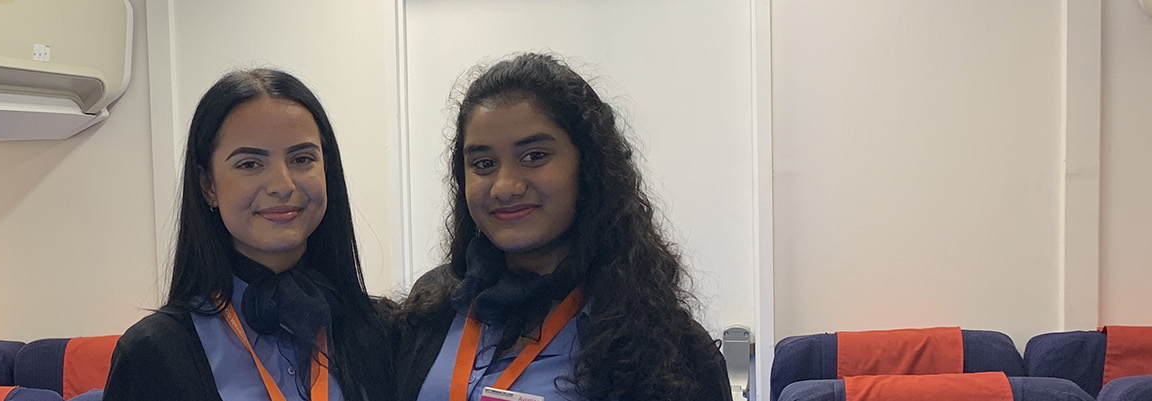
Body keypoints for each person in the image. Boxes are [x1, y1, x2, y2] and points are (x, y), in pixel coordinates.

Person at [392, 53, 731, 401]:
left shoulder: (666, 347)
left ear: (588, 168)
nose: (505, 186)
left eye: (535, 156)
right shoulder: (434, 307)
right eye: (484, 163)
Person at [103, 69, 391, 401]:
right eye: (250, 164)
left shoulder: (380, 330)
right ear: (208, 185)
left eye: (301, 158)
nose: (283, 185)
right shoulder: (153, 354)